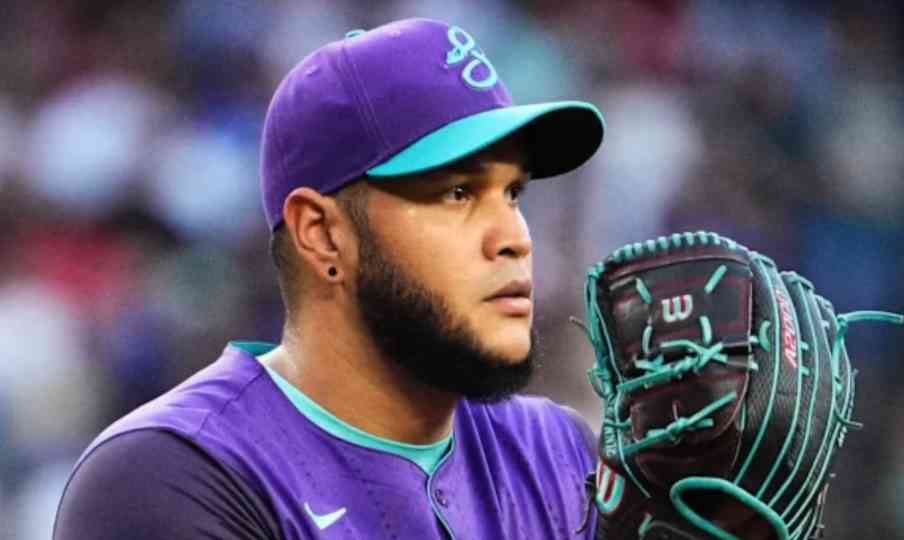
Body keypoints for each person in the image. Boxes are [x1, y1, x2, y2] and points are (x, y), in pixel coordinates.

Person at [54, 17, 606, 539]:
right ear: (321, 235)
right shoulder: (169, 476)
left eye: (513, 193)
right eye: (458, 193)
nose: (515, 237)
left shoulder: (557, 452)